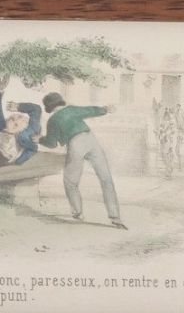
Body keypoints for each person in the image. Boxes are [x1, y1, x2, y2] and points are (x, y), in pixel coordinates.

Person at [39, 90, 125, 227]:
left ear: (49, 107)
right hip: (91, 140)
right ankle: (115, 217)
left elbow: (51, 143)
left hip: (75, 143)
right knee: (106, 178)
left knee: (70, 181)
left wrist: (40, 139)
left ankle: (77, 212)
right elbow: (90, 111)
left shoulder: (53, 120)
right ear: (61, 102)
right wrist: (105, 109)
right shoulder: (72, 109)